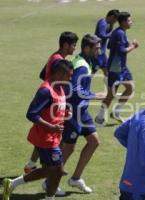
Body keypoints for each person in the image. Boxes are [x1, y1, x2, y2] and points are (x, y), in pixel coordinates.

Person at [2, 60, 74, 200]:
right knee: (57, 171)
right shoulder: (45, 91)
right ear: (60, 73)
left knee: (49, 170)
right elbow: (31, 114)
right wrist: (51, 127)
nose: (70, 78)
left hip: (53, 137)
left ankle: (11, 184)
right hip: (45, 138)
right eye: (69, 75)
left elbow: (55, 106)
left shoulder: (60, 87)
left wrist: (66, 111)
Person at [24, 31, 78, 175]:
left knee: (47, 137)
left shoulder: (55, 57)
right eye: (74, 45)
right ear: (66, 45)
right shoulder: (58, 60)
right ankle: (52, 170)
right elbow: (48, 76)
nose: (75, 48)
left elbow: (43, 74)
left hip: (55, 101)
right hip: (52, 102)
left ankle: (33, 165)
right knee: (51, 136)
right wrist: (53, 93)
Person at [60, 34, 106, 193]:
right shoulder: (82, 65)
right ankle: (49, 181)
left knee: (94, 142)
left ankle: (75, 178)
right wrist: (96, 95)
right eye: (97, 48)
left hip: (82, 111)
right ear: (87, 48)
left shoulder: (82, 60)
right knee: (68, 148)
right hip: (74, 111)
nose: (99, 51)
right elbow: (75, 90)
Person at [95, 11, 139, 125]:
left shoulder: (120, 32)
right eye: (129, 20)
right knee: (111, 94)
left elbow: (110, 46)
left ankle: (116, 113)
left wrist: (126, 44)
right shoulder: (119, 33)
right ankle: (100, 116)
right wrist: (132, 46)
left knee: (130, 87)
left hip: (121, 67)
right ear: (123, 22)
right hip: (115, 68)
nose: (131, 22)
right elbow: (121, 51)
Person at [93, 9, 120, 78]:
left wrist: (111, 26)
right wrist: (112, 33)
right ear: (112, 16)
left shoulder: (108, 23)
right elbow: (102, 35)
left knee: (107, 71)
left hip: (102, 52)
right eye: (115, 20)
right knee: (93, 70)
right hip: (98, 52)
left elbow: (107, 34)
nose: (115, 22)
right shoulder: (103, 23)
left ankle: (110, 87)